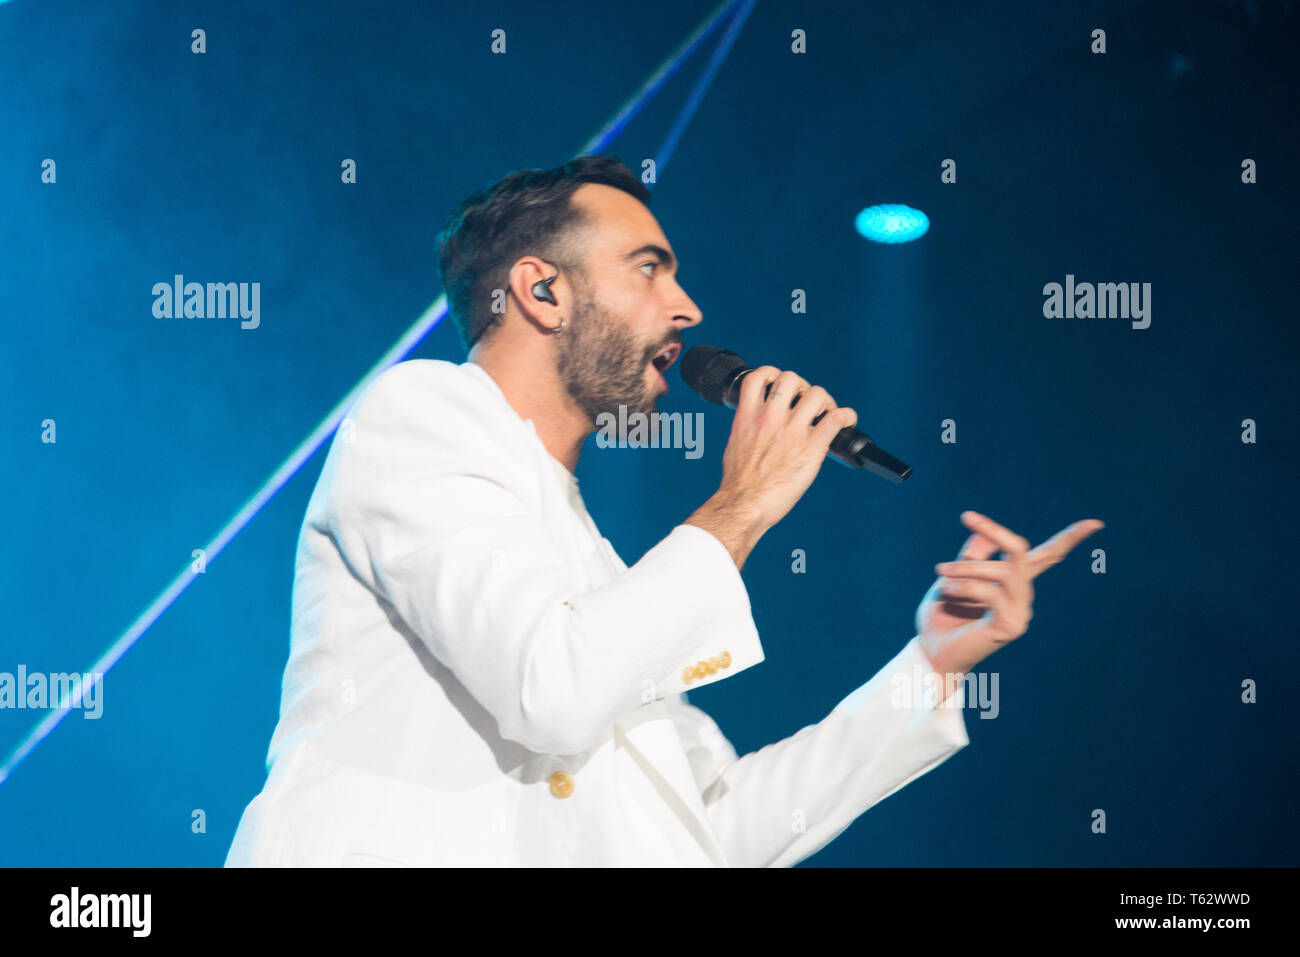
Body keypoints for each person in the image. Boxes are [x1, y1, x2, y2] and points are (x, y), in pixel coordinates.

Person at [225, 156, 1102, 867]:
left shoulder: (604, 567)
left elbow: (705, 829)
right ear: (541, 291)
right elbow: (552, 689)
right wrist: (743, 504)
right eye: (649, 269)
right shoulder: (419, 412)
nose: (687, 309)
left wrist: (933, 665)